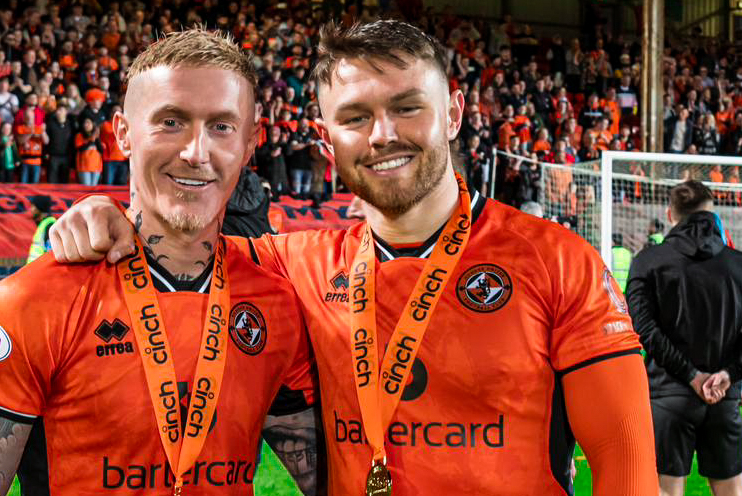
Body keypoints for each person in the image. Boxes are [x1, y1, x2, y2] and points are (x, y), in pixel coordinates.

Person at [52, 20, 658, 495]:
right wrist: (102, 212)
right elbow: (179, 240)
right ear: (326, 138)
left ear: (455, 113)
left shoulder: (556, 261)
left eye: (407, 107)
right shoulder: (292, 263)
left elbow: (624, 461)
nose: (382, 135)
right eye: (355, 117)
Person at [0, 30, 320, 496]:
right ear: (122, 133)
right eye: (171, 122)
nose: (196, 152)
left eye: (221, 126)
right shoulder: (29, 301)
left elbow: (338, 476)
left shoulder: (274, 303)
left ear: (249, 142)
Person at [627, 181, 742, 496]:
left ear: (670, 214)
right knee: (731, 492)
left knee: (667, 491)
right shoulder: (737, 264)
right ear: (711, 214)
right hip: (724, 397)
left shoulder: (648, 261)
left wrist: (692, 377)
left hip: (668, 396)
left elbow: (644, 330)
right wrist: (727, 375)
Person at [26, 195, 55, 264]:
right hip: (35, 268)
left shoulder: (49, 225)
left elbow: (51, 252)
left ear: (40, 208)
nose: (31, 209)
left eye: (33, 206)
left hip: (40, 269)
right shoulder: (44, 223)